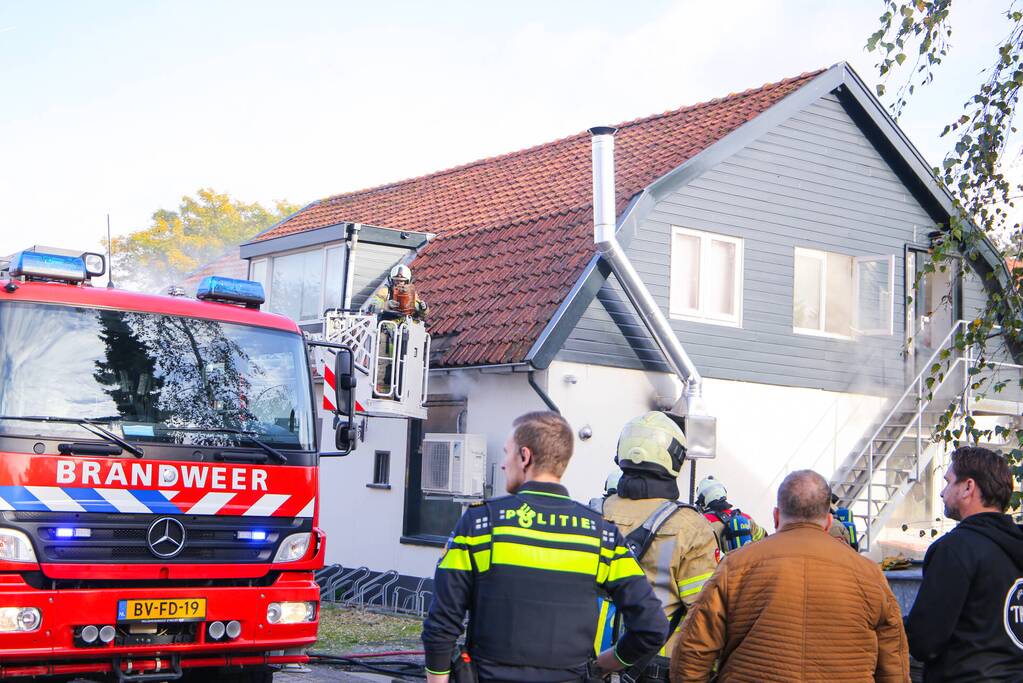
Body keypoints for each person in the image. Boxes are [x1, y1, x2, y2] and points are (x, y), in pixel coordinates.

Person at [421, 411, 668, 683]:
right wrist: (600, 667)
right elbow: (652, 627)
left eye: (507, 453)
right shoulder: (601, 535)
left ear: (525, 457)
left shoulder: (480, 524)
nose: (503, 464)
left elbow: (441, 626)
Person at [671, 469, 909, 683]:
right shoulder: (869, 575)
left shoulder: (735, 566)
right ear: (828, 522)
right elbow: (894, 666)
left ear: (776, 517)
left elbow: (692, 653)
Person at [599, 412, 719, 682]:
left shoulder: (593, 513)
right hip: (653, 666)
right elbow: (703, 615)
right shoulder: (691, 527)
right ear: (675, 458)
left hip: (590, 663)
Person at [903, 446, 1023, 682]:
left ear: (968, 487)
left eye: (948, 482)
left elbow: (925, 641)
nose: (942, 492)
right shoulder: (1014, 544)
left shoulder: (956, 548)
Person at [694, 475, 767, 555]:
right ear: (724, 492)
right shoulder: (746, 518)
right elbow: (764, 539)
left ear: (703, 500)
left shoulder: (702, 522)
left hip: (721, 567)